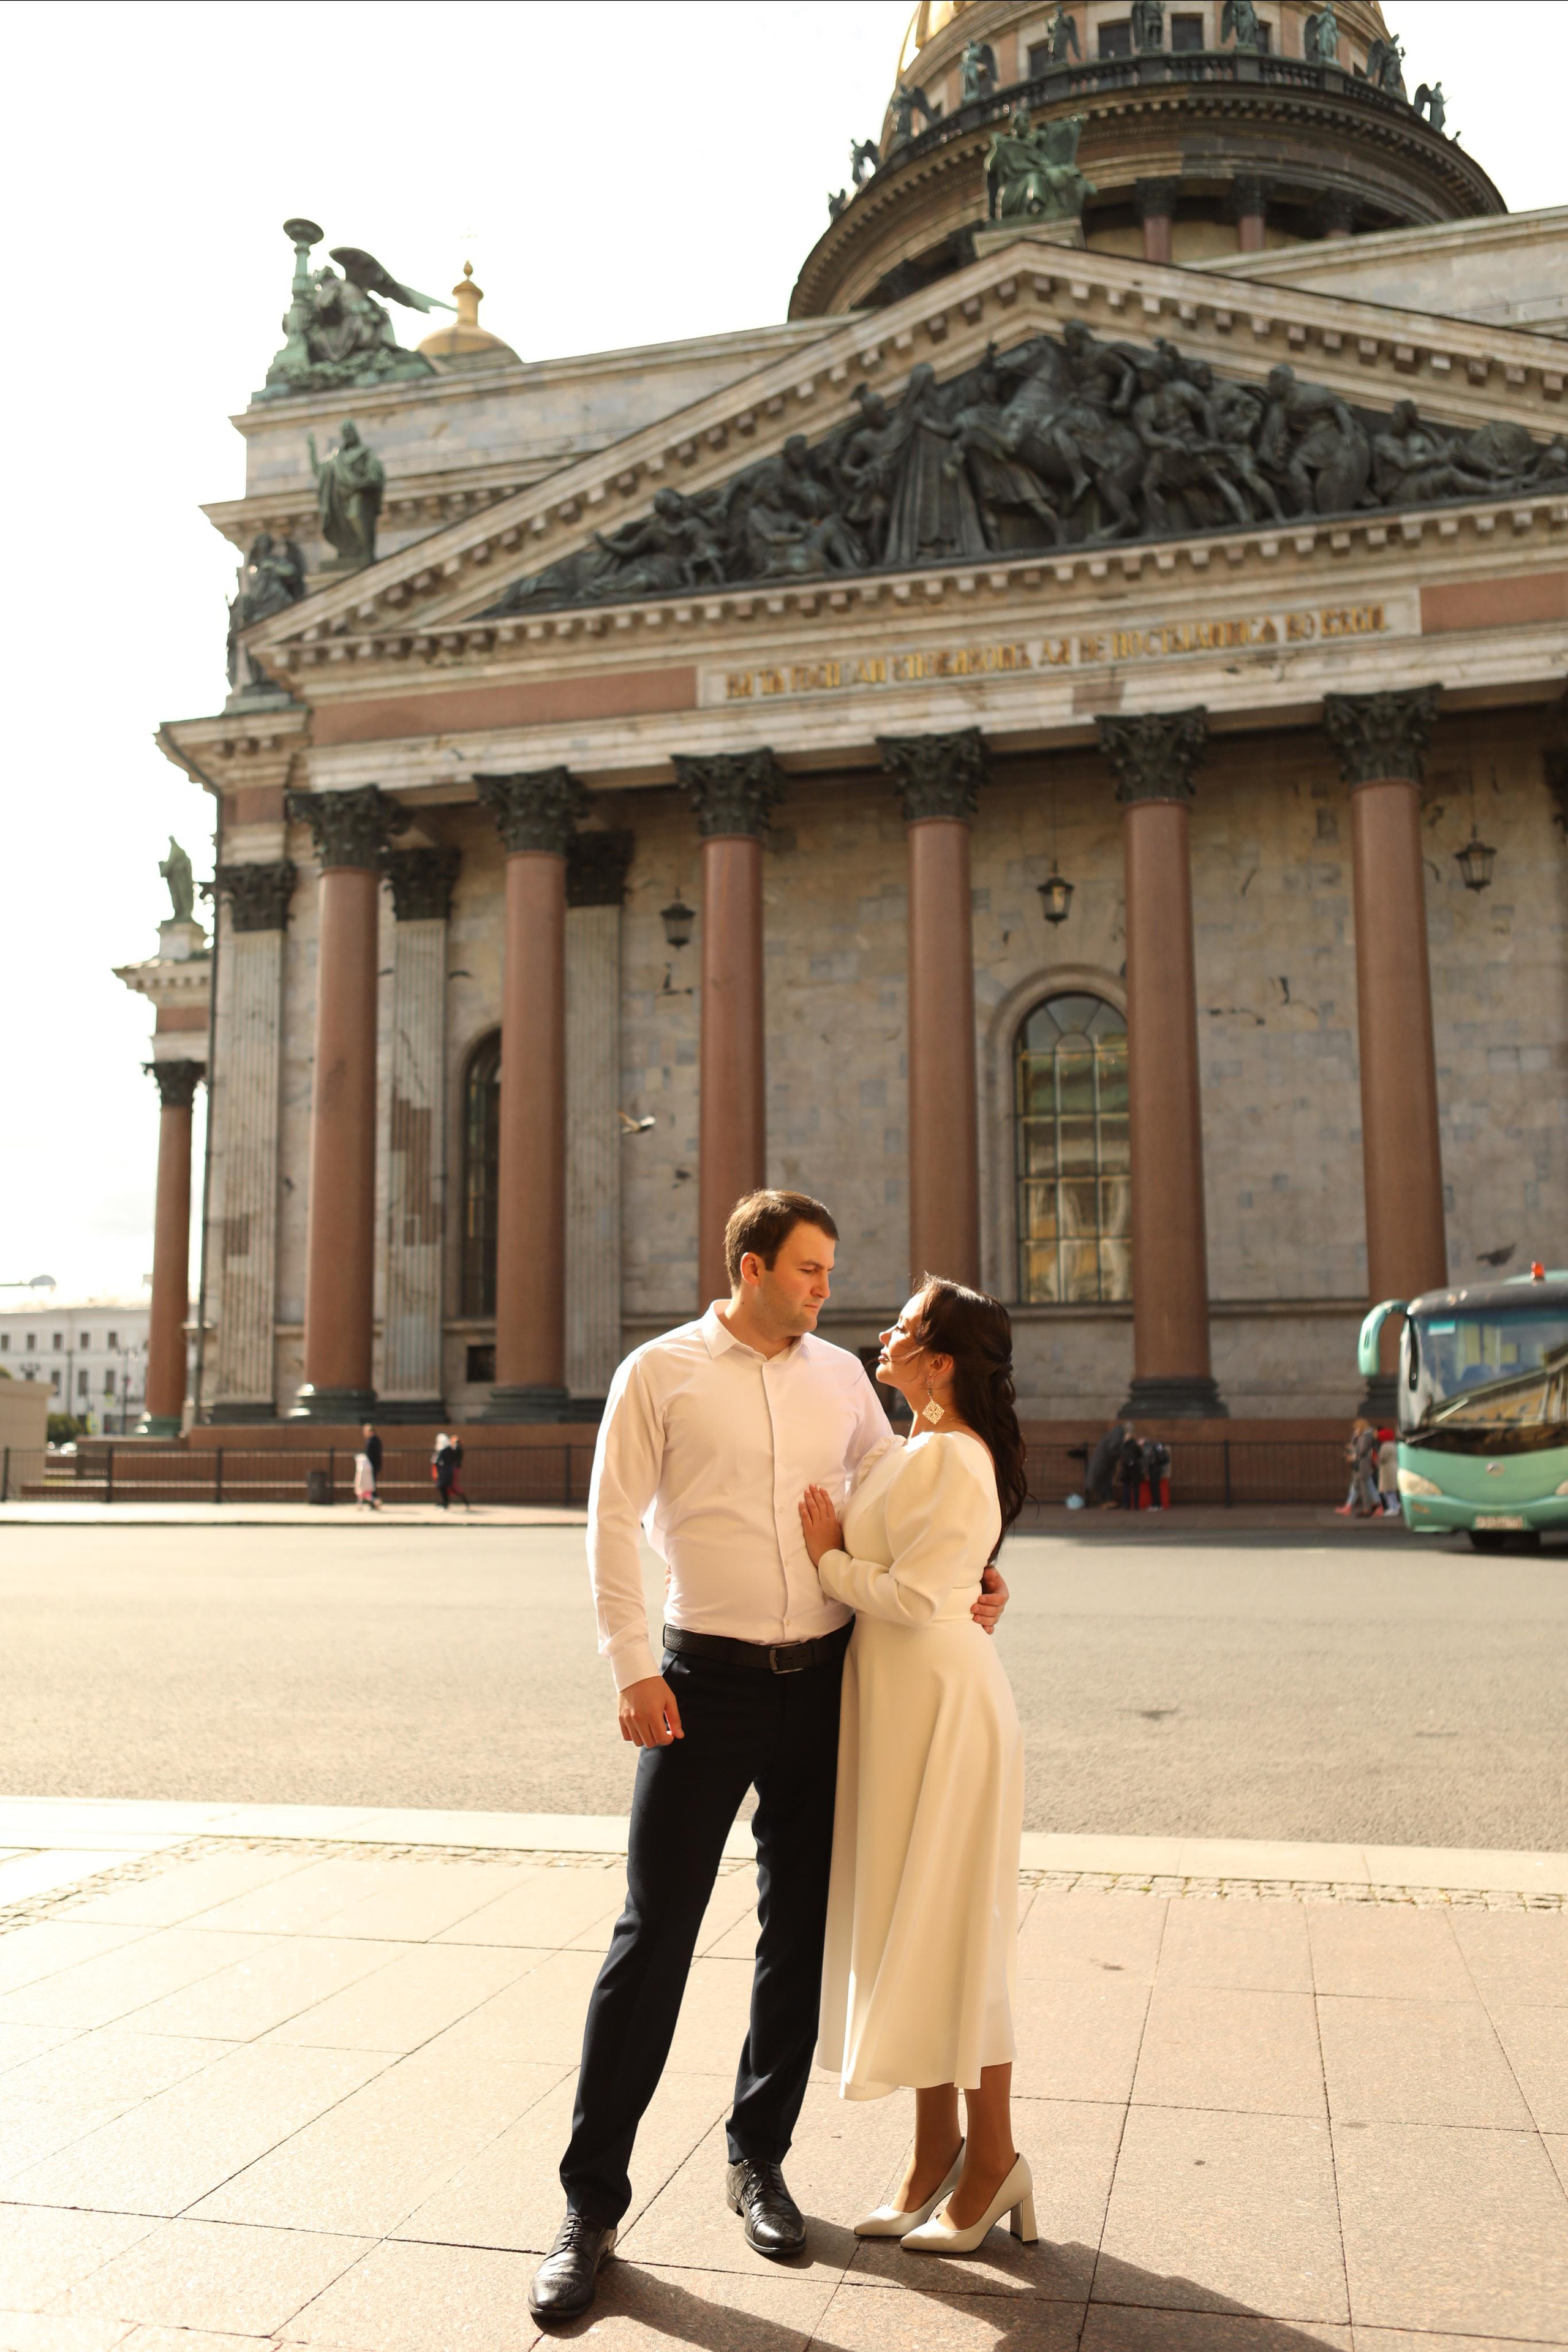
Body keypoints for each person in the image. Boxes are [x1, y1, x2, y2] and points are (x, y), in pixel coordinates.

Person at [527, 1191, 1009, 2325]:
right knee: (653, 1938)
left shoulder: (843, 1380)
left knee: (796, 1932)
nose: (824, 1289)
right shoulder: (660, 1373)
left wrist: (977, 1574)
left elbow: (910, 1494)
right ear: (748, 1267)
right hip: (702, 1685)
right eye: (806, 1270)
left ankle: (761, 2160)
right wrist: (630, 1666)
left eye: (830, 1271)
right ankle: (589, 2210)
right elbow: (608, 1522)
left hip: (829, 1688)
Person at [799, 1276, 1033, 2253]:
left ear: (939, 1362)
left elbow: (919, 1597)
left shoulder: (954, 1456)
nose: (883, 1334)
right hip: (900, 1705)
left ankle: (995, 2160)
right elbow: (948, 1572)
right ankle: (935, 2147)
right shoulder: (919, 1450)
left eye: (904, 1327)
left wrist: (828, 1561)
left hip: (940, 1706)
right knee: (914, 1923)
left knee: (960, 1932)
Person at [432, 1432, 469, 1510]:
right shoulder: (450, 1450)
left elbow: (437, 1461)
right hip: (449, 1470)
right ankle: (446, 1503)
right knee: (447, 1486)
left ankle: (448, 1503)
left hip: (445, 1471)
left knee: (448, 1486)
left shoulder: (445, 1450)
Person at [1142, 1434, 1171, 1513]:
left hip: (1153, 1469)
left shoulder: (1148, 1447)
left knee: (1154, 1488)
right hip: (1158, 1469)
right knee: (1156, 1488)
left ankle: (1156, 1505)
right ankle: (1157, 1504)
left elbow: (1147, 1459)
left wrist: (1145, 1471)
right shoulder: (1157, 1445)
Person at [1118, 1425, 1145, 1511]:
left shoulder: (1123, 1445)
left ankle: (1127, 1505)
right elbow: (1141, 1454)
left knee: (1126, 1486)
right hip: (1135, 1468)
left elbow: (1120, 1454)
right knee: (1136, 1487)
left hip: (1126, 1467)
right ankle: (1136, 1505)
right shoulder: (1135, 1444)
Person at [1377, 1425, 1400, 1517]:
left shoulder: (1385, 1446)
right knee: (1391, 1490)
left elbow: (1382, 1458)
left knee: (1387, 1490)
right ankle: (1395, 1506)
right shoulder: (1394, 1445)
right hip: (1393, 1468)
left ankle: (1393, 1507)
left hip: (1387, 1470)